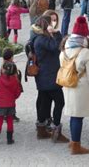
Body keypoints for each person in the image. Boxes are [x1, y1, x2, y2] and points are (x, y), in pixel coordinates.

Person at [60, 16, 89, 155]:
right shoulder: (86, 52)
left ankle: (73, 142)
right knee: (78, 116)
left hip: (68, 84)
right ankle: (76, 147)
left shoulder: (64, 48)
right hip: (81, 88)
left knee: (73, 115)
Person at [30, 15, 69, 143]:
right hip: (49, 77)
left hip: (44, 76)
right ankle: (56, 132)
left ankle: (41, 131)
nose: (53, 24)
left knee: (45, 103)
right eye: (51, 22)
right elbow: (57, 46)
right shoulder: (42, 39)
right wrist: (57, 33)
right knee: (60, 102)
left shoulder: (38, 37)